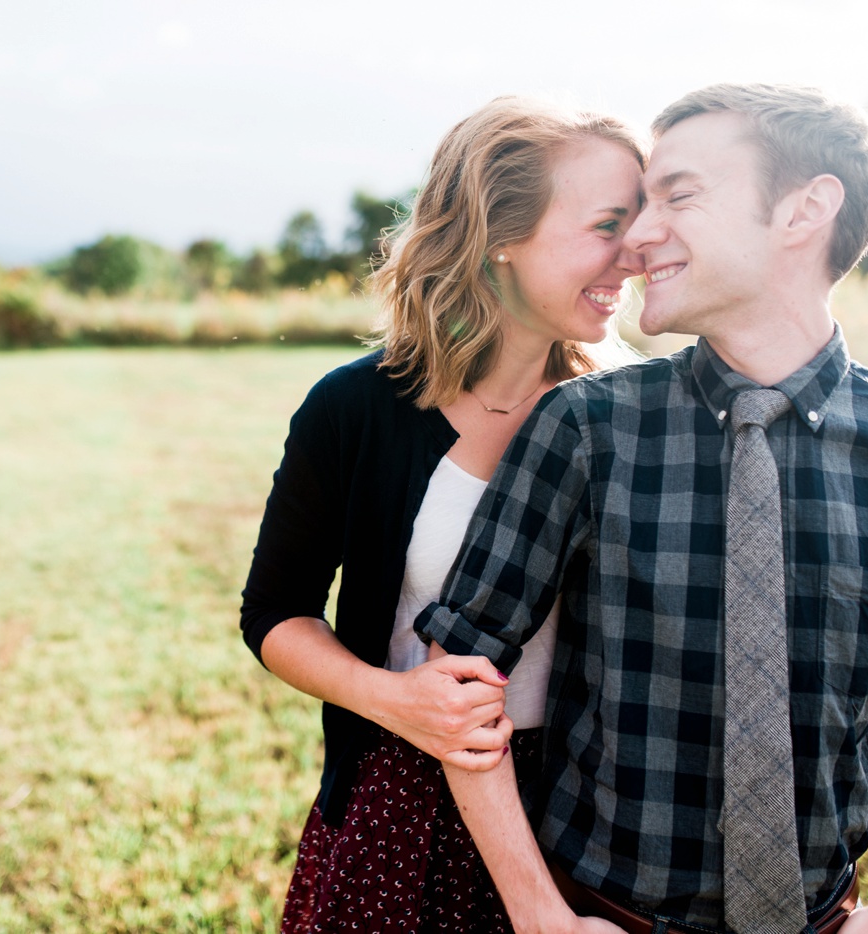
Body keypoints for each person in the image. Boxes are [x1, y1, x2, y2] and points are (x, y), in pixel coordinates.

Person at [415, 83, 868, 934]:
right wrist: (538, 914)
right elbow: (459, 673)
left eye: (679, 195)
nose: (635, 236)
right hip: (604, 910)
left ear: (805, 210)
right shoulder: (589, 427)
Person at [239, 97, 645, 931]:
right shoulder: (355, 407)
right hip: (404, 797)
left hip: (590, 811)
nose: (633, 254)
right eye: (608, 224)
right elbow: (274, 613)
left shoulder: (632, 417)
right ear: (501, 231)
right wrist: (393, 699)